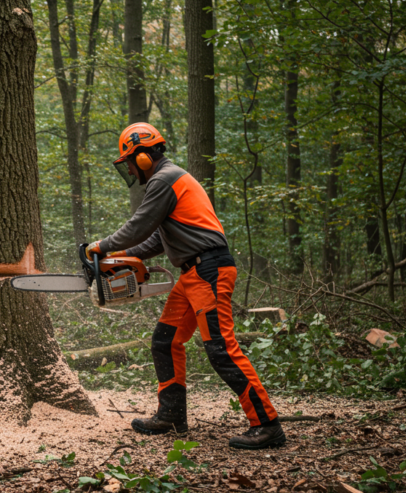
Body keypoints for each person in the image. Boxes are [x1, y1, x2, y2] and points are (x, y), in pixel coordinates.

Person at [87, 122, 285, 450]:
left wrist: (102, 245)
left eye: (132, 162)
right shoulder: (169, 181)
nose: (133, 171)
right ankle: (172, 414)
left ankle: (267, 424)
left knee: (222, 350)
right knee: (165, 341)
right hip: (192, 274)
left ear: (145, 157)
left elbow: (138, 227)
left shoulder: (165, 179)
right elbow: (152, 241)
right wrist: (117, 256)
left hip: (208, 271)